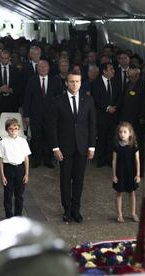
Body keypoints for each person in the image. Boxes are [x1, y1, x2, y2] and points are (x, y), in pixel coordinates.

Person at [46, 71, 96, 224]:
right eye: (72, 81)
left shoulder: (88, 100)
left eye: (77, 81)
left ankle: (76, 210)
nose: (74, 84)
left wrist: (92, 146)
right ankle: (67, 210)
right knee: (65, 180)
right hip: (64, 148)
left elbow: (92, 124)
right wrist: (55, 147)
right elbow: (52, 126)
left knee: (79, 180)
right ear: (66, 83)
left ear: (81, 83)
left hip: (82, 147)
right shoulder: (57, 101)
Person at [0, 118, 31, 219]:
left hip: (20, 169)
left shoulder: (23, 141)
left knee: (19, 195)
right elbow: (0, 160)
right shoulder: (3, 142)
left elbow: (26, 158)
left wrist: (26, 174)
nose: (13, 131)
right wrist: (2, 176)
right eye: (10, 129)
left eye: (15, 128)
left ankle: (18, 215)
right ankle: (9, 216)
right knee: (8, 195)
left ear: (19, 129)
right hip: (8, 169)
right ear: (7, 130)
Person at [111, 122, 140, 223]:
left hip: (131, 172)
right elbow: (114, 160)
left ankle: (133, 213)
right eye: (120, 132)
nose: (122, 134)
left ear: (130, 133)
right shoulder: (116, 146)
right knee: (119, 193)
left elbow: (137, 160)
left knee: (132, 193)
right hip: (120, 173)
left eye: (125, 132)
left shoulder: (134, 145)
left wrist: (138, 174)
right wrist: (114, 175)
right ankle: (119, 214)